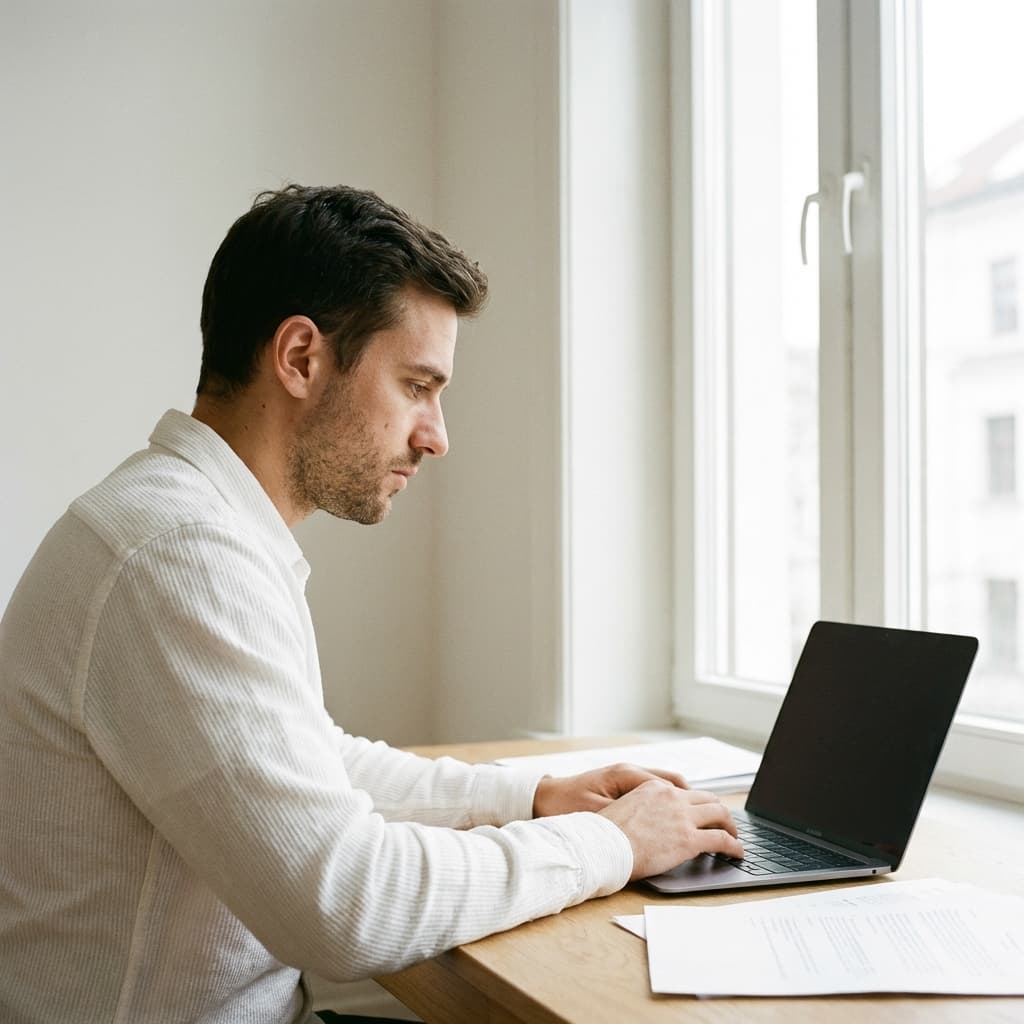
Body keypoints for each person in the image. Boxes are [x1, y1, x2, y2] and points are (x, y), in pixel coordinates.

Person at [0, 184, 742, 1024]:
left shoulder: (191, 526)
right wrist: (615, 842)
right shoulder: (177, 554)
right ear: (301, 358)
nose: (436, 434)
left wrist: (530, 800)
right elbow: (346, 905)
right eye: (418, 386)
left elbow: (305, 761)